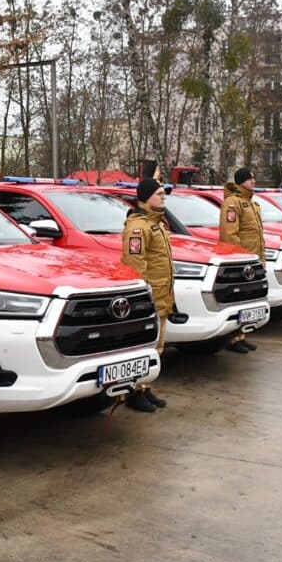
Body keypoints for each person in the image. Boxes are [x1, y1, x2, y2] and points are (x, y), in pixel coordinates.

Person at [121, 177, 172, 412]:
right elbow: (135, 266)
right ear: (145, 198)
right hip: (149, 300)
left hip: (162, 297)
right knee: (143, 348)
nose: (163, 197)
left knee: (156, 347)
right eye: (159, 193)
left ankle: (144, 387)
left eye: (164, 193)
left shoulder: (157, 224)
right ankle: (134, 392)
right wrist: (141, 302)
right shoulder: (138, 227)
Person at [219, 167, 263, 353]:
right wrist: (237, 259)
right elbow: (230, 234)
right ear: (240, 182)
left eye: (253, 178)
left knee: (247, 301)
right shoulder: (233, 202)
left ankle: (241, 335)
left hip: (253, 260)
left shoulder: (251, 203)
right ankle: (232, 338)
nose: (253, 181)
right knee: (236, 300)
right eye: (249, 179)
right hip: (241, 261)